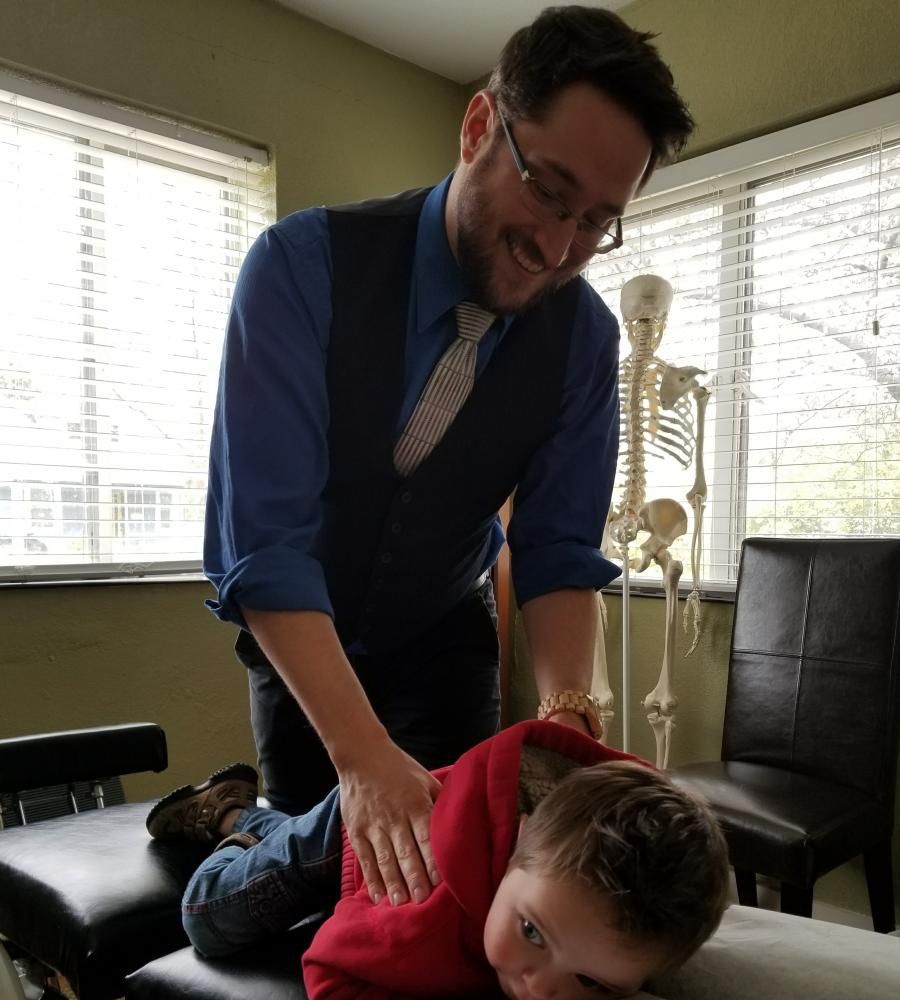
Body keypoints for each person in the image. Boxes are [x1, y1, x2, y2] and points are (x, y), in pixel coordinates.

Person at [203, 5, 696, 914]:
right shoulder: (299, 268)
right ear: (478, 128)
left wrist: (568, 718)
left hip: (445, 636)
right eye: (548, 191)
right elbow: (265, 545)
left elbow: (553, 550)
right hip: (305, 640)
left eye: (597, 222)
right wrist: (361, 760)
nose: (558, 249)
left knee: (452, 894)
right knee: (315, 896)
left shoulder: (584, 339)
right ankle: (232, 818)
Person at [146, 721, 729, 1000]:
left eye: (594, 984)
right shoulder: (436, 910)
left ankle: (251, 814)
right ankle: (231, 820)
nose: (541, 988)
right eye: (531, 933)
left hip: (455, 804)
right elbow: (330, 975)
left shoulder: (604, 914)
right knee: (210, 916)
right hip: (355, 829)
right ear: (519, 840)